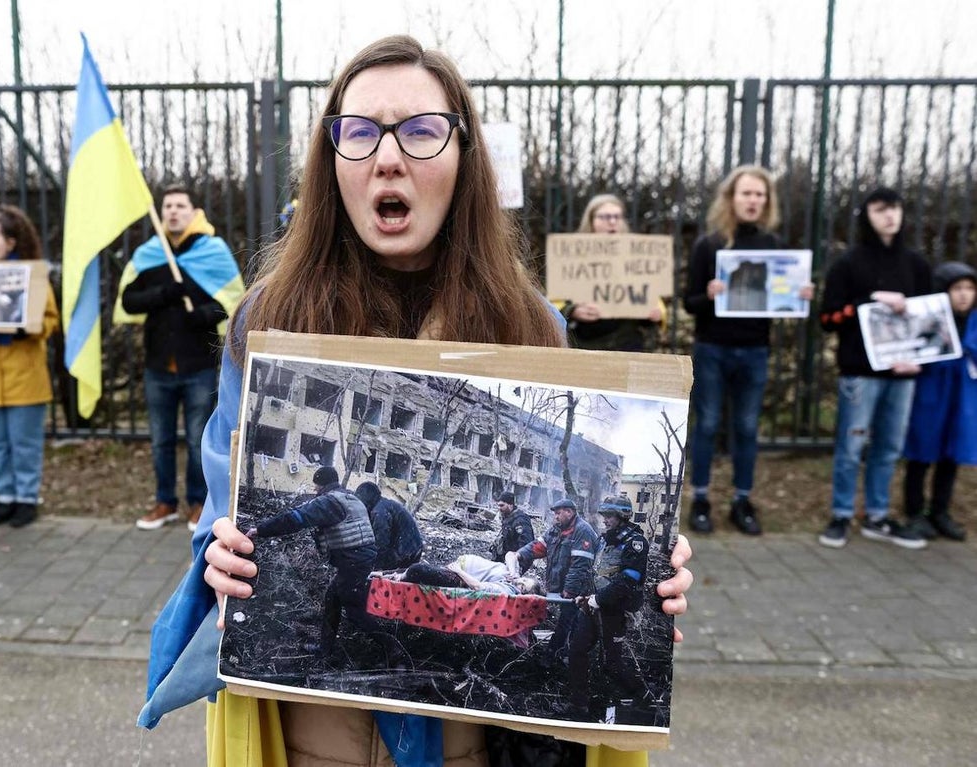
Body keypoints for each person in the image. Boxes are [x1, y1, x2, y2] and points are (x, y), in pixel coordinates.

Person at [144, 36, 694, 767]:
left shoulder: (533, 325)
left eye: (422, 130)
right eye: (360, 131)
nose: (388, 156)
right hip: (309, 732)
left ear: (464, 155)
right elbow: (223, 501)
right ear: (331, 159)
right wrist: (220, 550)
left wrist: (661, 571)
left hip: (471, 745)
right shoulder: (268, 319)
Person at [683, 165, 814, 536]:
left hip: (755, 349)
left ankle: (742, 500)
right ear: (731, 198)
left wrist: (798, 297)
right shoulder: (709, 245)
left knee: (746, 427)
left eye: (760, 194)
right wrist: (707, 295)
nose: (753, 200)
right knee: (707, 425)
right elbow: (689, 302)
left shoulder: (774, 248)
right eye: (747, 193)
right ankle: (702, 499)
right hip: (712, 347)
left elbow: (782, 301)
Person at [117, 184, 244, 533]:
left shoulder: (213, 252)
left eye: (180, 205)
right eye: (167, 205)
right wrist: (163, 293)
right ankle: (164, 502)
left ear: (193, 212)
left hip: (197, 365)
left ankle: (198, 503)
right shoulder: (149, 254)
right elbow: (129, 301)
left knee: (196, 438)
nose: (173, 211)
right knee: (160, 439)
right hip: (158, 366)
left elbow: (230, 305)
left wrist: (201, 316)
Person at [817, 187, 932, 550]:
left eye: (895, 208)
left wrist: (919, 360)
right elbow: (828, 318)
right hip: (861, 374)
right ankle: (841, 513)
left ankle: (877, 516)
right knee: (851, 448)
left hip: (902, 374)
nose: (889, 216)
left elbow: (931, 318)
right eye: (881, 209)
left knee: (888, 447)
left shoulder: (916, 265)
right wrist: (867, 303)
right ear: (867, 214)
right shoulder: (848, 264)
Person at [0, 205, 59, 529]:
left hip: (24, 377)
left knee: (24, 444)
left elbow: (50, 321)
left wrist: (25, 325)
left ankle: (26, 499)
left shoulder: (32, 276)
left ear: (9, 241)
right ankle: (4, 498)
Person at [246, 466, 377, 655]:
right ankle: (325, 649)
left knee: (355, 612)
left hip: (353, 562)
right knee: (332, 599)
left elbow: (295, 519)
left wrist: (261, 530)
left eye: (316, 487)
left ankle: (394, 649)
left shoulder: (329, 502)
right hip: (360, 559)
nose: (315, 491)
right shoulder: (351, 498)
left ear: (322, 485)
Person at [901, 260, 976, 542]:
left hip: (962, 395)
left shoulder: (975, 321)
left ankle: (940, 511)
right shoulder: (929, 319)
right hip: (931, 393)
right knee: (922, 452)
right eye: (957, 288)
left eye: (970, 288)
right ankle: (915, 511)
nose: (964, 294)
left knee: (950, 454)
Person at [571, 494, 649, 724]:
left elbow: (629, 579)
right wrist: (585, 596)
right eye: (604, 515)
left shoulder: (635, 542)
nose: (604, 519)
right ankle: (578, 706)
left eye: (609, 516)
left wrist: (599, 599)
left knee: (611, 665)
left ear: (623, 516)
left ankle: (641, 695)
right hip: (594, 605)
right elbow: (597, 572)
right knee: (576, 651)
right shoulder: (605, 539)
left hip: (614, 610)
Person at [560, 194, 664, 352]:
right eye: (604, 217)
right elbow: (554, 303)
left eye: (617, 217)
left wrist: (655, 313)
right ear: (591, 222)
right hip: (586, 348)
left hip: (628, 347)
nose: (612, 222)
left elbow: (655, 303)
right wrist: (573, 311)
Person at [510, 498, 599, 658]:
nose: (555, 517)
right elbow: (538, 547)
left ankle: (556, 655)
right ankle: (558, 652)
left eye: (558, 513)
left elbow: (580, 565)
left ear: (569, 512)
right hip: (559, 585)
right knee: (565, 619)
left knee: (569, 621)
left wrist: (570, 590)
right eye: (555, 514)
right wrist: (519, 554)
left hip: (578, 588)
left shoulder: (582, 531)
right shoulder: (556, 529)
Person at [396, 553, 543, 597]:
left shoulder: (506, 590)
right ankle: (395, 575)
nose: (519, 583)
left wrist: (459, 571)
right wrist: (513, 571)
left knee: (417, 569)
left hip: (459, 577)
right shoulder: (513, 575)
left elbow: (477, 586)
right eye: (524, 580)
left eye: (523, 588)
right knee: (409, 569)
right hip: (459, 568)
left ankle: (399, 578)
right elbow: (510, 554)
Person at [354, 480, 424, 570]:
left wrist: (375, 568)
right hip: (411, 549)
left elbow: (381, 544)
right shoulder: (383, 505)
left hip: (406, 553)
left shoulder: (379, 512)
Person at [488, 490, 534, 563]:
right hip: (504, 557)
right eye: (498, 505)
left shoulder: (520, 520)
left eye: (502, 505)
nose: (499, 508)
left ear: (510, 504)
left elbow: (526, 543)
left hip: (514, 560)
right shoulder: (508, 517)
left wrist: (517, 560)